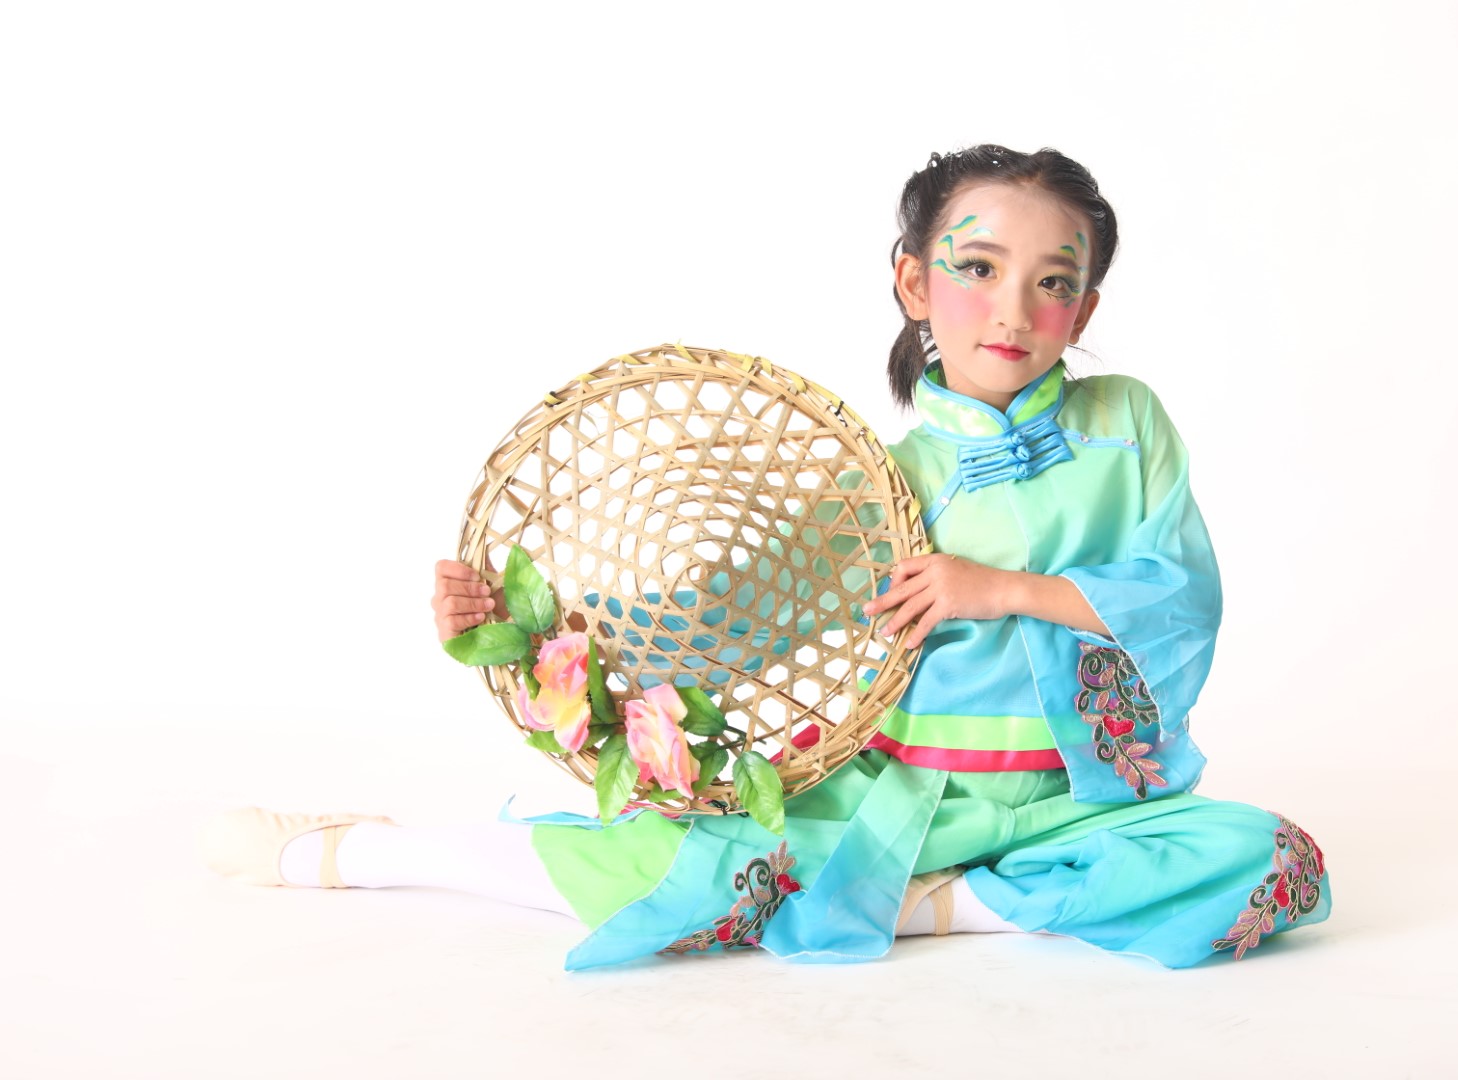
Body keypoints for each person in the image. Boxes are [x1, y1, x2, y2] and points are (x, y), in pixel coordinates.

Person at [201, 145, 1330, 969]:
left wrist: (997, 590)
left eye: (1053, 280)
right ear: (913, 281)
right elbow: (730, 613)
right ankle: (356, 853)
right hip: (915, 794)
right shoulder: (882, 485)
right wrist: (518, 623)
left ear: (1084, 308)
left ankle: (926, 909)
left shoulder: (1127, 423)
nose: (1015, 308)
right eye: (979, 267)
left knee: (1273, 859)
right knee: (674, 869)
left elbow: (1184, 597)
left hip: (1081, 800)